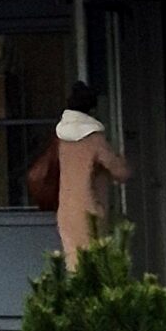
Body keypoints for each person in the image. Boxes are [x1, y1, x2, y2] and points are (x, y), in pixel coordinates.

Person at [54, 80, 129, 267]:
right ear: (91, 109)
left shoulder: (61, 138)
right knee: (95, 267)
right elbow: (120, 172)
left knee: (74, 266)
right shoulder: (94, 139)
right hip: (91, 212)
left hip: (66, 211)